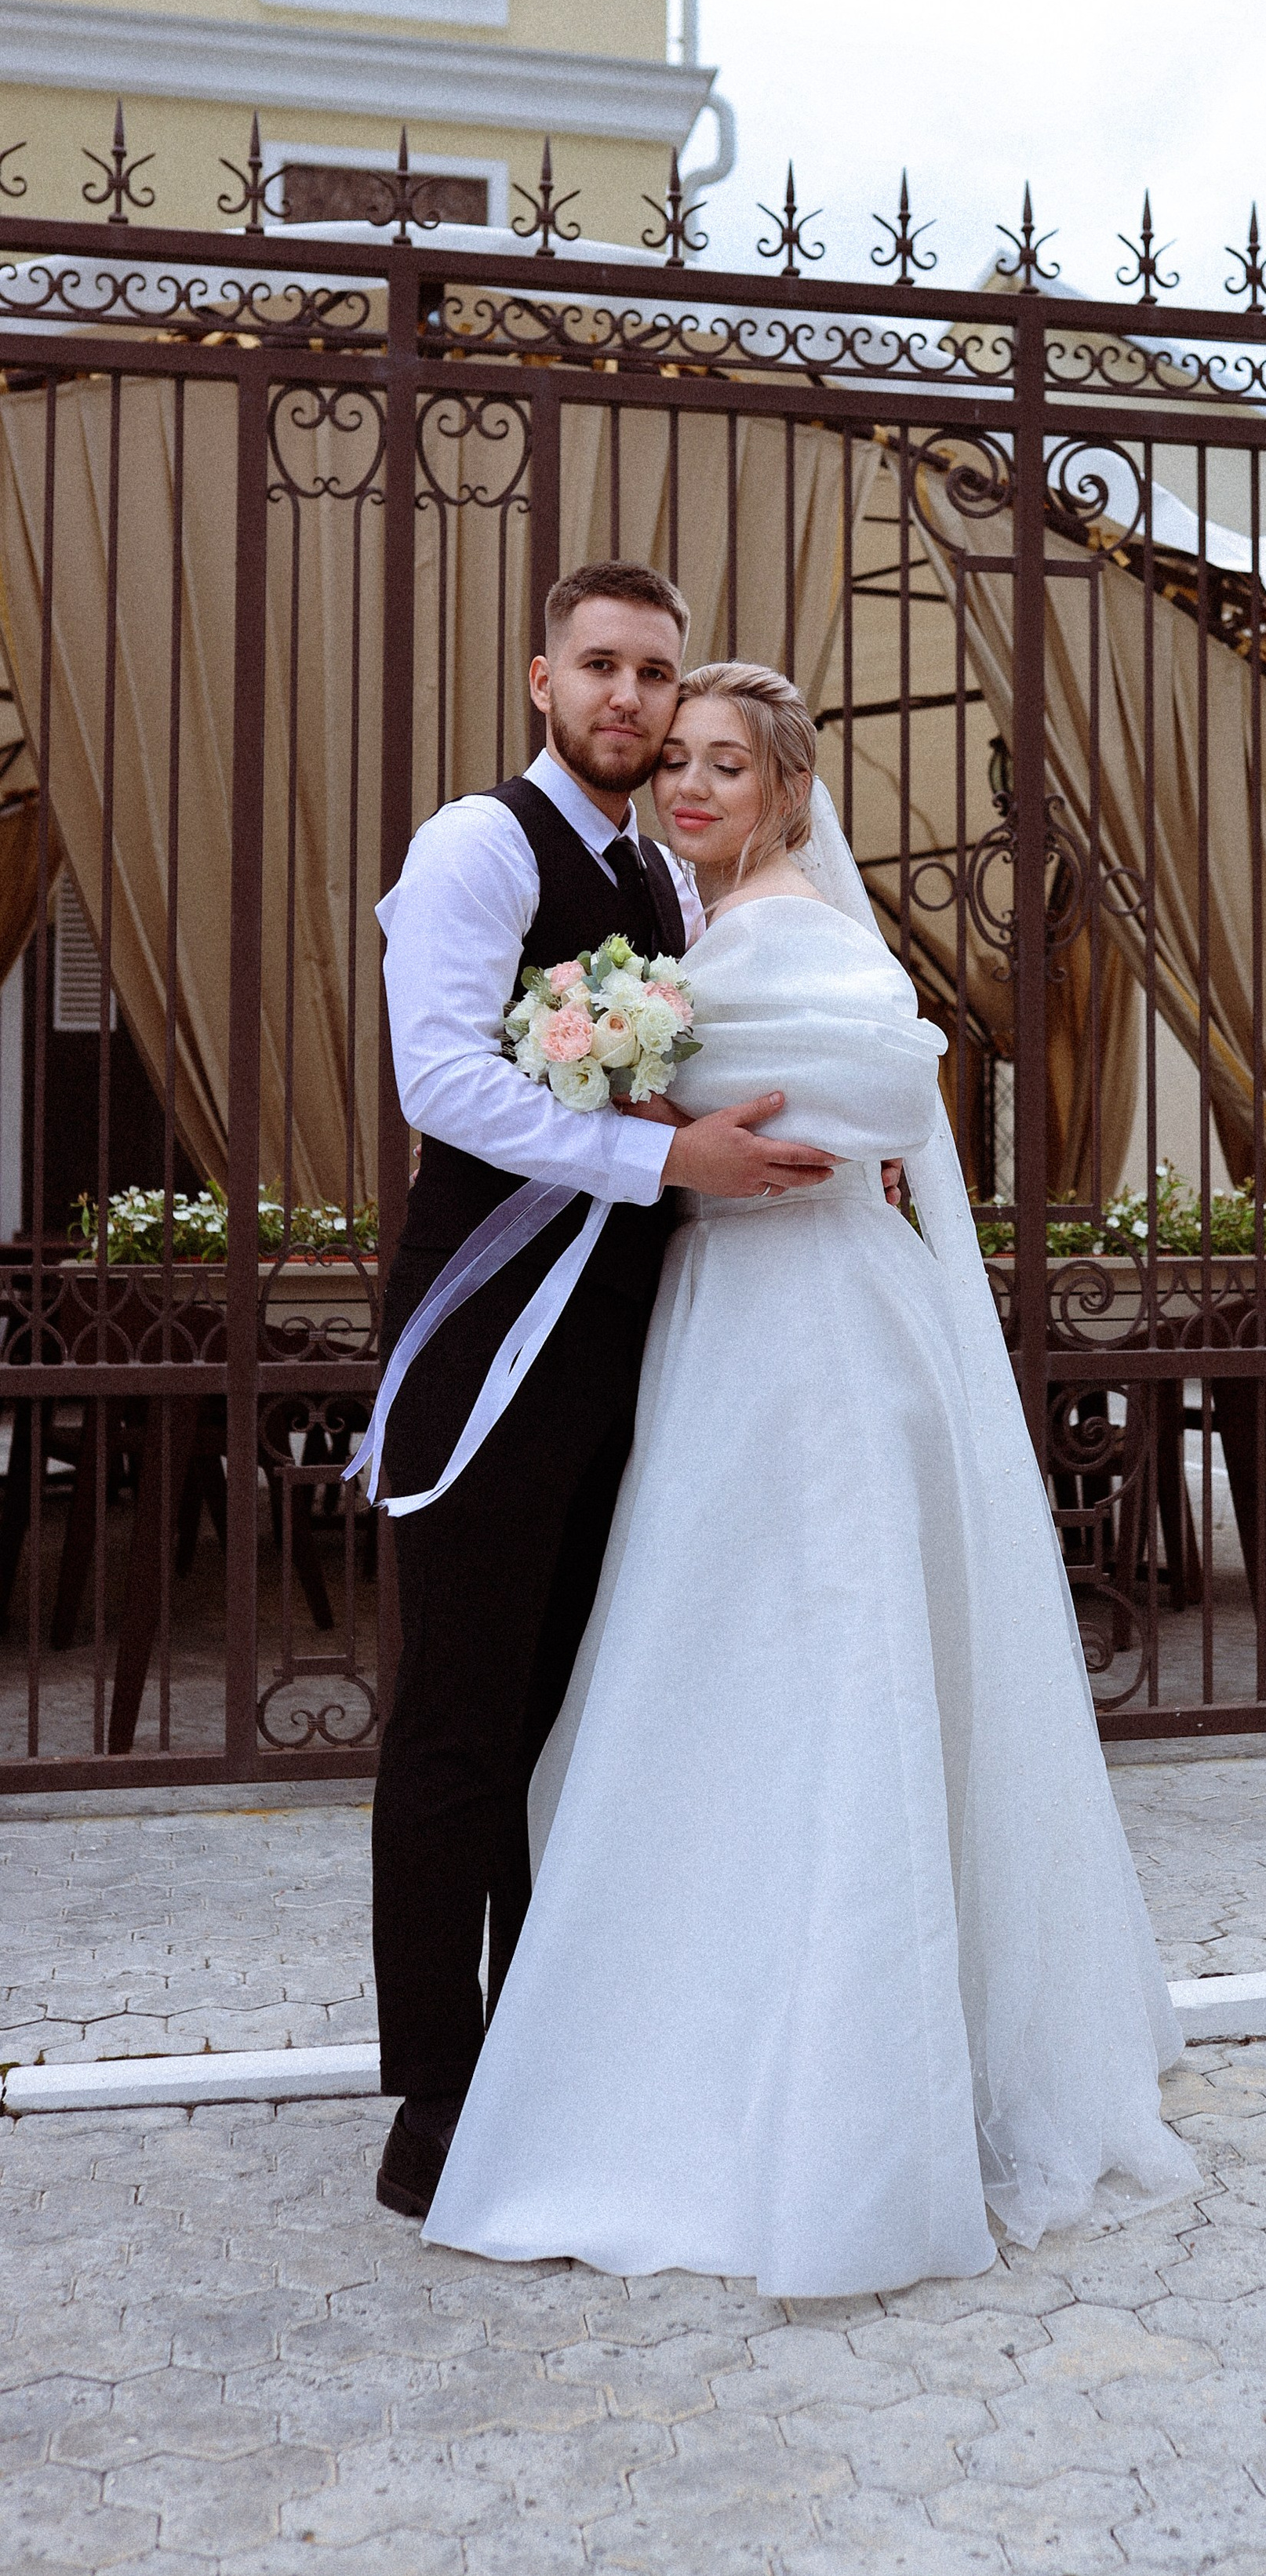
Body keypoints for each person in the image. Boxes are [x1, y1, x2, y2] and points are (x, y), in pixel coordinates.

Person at [422, 663, 1198, 2294]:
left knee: (799, 1674)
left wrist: (644, 1097)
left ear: (785, 789)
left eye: (725, 764)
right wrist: (639, 1098)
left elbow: (865, 1096)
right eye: (678, 762)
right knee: (715, 1679)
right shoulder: (693, 938)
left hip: (798, 1348)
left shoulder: (770, 939)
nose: (692, 786)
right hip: (726, 1332)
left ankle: (829, 2094)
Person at [367, 569, 844, 2223]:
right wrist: (662, 1154)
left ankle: (533, 2051)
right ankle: (431, 2098)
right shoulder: (478, 846)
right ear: (540, 679)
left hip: (619, 1348)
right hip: (484, 1333)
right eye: (601, 667)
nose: (632, 698)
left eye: (653, 670)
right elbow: (441, 1076)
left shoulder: (662, 870)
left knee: (553, 1716)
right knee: (455, 1717)